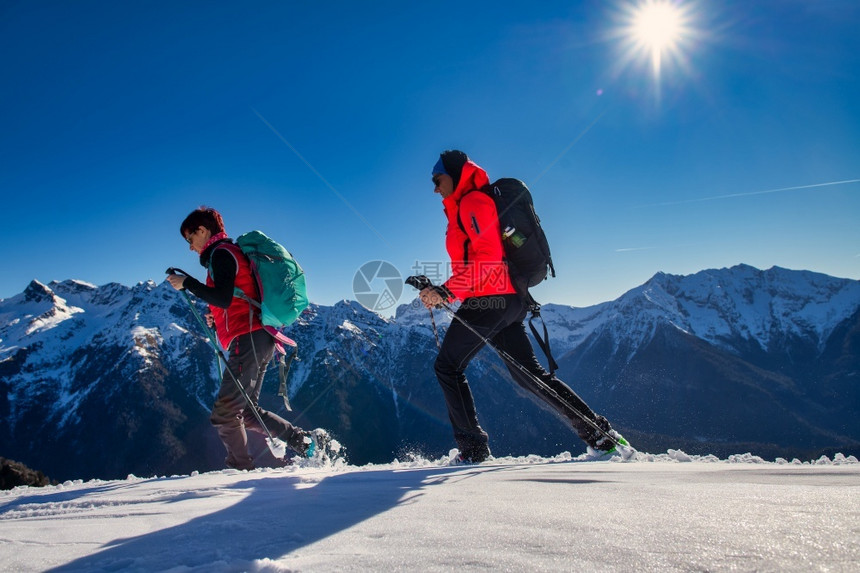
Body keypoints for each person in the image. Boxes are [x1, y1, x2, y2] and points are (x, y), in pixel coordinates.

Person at [419, 150, 628, 463]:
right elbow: (476, 261)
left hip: (491, 300)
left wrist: (446, 291)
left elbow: (488, 261)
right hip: (508, 299)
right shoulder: (463, 207)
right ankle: (600, 435)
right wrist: (439, 289)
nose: (435, 188)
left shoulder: (473, 203)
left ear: (455, 174)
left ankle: (473, 450)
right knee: (530, 376)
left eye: (438, 179)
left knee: (448, 366)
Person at [167, 207, 313, 470]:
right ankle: (303, 442)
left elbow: (222, 297)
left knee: (225, 413)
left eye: (190, 239)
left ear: (203, 230)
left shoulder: (223, 253)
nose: (190, 247)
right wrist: (217, 316)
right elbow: (229, 299)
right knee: (246, 412)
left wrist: (187, 283)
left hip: (249, 340)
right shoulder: (225, 255)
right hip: (255, 338)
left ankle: (239, 470)